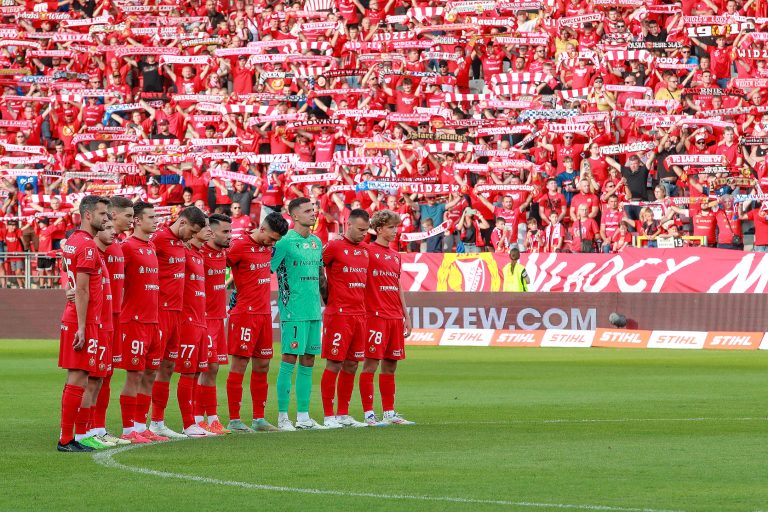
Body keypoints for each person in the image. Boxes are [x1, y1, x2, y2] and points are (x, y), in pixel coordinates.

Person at [225, 212, 289, 433]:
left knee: (262, 365)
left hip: (263, 314)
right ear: (262, 229)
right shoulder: (238, 245)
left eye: (276, 241)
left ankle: (259, 419)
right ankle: (234, 419)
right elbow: (219, 265)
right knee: (240, 364)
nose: (272, 244)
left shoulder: (267, 247)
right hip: (244, 314)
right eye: (271, 239)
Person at [148, 206, 207, 439]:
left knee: (168, 367)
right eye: (191, 231)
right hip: (159, 312)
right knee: (151, 368)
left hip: (177, 313)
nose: (192, 236)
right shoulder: (160, 238)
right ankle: (141, 423)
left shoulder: (181, 244)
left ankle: (158, 422)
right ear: (182, 222)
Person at [271, 197, 328, 431]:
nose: (312, 214)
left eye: (313, 210)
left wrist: (328, 302)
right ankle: (283, 417)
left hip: (315, 311)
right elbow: (267, 269)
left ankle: (303, 416)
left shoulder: (316, 242)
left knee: (308, 360)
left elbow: (322, 276)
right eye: (307, 211)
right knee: (289, 360)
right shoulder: (284, 243)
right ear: (294, 216)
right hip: (293, 311)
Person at [57, 195, 108, 452]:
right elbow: (83, 290)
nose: (105, 218)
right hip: (82, 320)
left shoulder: (73, 241)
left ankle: (70, 437)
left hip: (78, 317)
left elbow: (70, 281)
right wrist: (82, 326)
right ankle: (66, 439)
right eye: (102, 214)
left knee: (78, 378)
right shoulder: (87, 246)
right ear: (88, 215)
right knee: (78, 378)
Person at [359, 210, 414, 426]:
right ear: (379, 228)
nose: (395, 231)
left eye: (396, 227)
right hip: (375, 316)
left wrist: (406, 315)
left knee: (391, 365)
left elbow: (397, 285)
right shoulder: (367, 251)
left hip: (394, 317)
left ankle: (389, 413)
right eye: (391, 227)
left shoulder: (395, 255)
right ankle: (369, 414)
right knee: (370, 365)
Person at [118, 202, 166, 444]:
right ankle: (128, 430)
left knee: (149, 375)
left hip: (153, 321)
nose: (155, 221)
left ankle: (140, 425)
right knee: (134, 376)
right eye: (151, 217)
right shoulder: (126, 247)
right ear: (136, 220)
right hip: (134, 321)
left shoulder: (151, 246)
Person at [320, 209, 371, 429]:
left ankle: (343, 413)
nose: (363, 234)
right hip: (339, 314)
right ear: (347, 224)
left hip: (359, 315)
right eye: (360, 229)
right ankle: (328, 415)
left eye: (366, 230)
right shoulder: (333, 246)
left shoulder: (365, 251)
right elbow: (315, 268)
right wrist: (325, 295)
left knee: (352, 364)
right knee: (334, 363)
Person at [90, 196, 134, 447]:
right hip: (100, 318)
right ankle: (87, 429)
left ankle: (99, 427)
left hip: (117, 317)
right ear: (113, 215)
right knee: (94, 374)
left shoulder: (119, 245)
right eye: (127, 216)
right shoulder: (98, 243)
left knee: (106, 374)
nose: (131, 220)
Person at [195, 214, 234, 435]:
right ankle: (198, 418)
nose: (229, 236)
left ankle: (212, 418)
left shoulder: (223, 253)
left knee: (214, 368)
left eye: (230, 231)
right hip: (203, 319)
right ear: (211, 231)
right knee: (204, 368)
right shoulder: (200, 253)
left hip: (219, 318)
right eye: (225, 232)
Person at [176, 217, 214, 438]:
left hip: (201, 320)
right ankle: (187, 423)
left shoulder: (200, 255)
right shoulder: (183, 252)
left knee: (198, 371)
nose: (208, 230)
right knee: (188, 371)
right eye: (204, 227)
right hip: (187, 320)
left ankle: (194, 421)